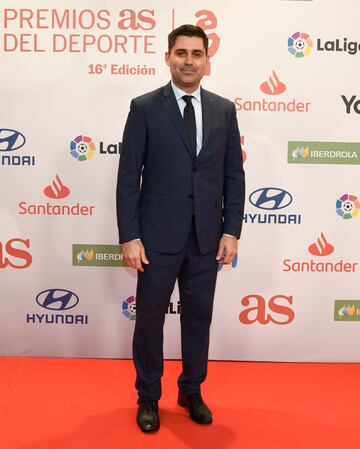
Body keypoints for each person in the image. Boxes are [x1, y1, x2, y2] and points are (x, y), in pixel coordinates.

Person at [116, 24, 245, 432]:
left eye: (196, 54)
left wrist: (232, 230)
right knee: (151, 319)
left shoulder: (225, 110)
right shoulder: (145, 107)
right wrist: (130, 235)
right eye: (181, 53)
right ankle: (148, 396)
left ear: (207, 60)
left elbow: (233, 176)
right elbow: (127, 177)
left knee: (198, 317)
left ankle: (191, 389)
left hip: (207, 238)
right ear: (167, 57)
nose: (189, 61)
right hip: (156, 238)